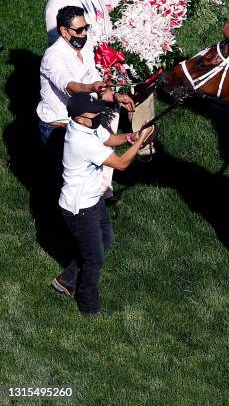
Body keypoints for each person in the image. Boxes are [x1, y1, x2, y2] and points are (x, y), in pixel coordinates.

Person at [52, 93, 154, 315]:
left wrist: (131, 137)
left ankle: (66, 279)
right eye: (94, 113)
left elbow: (107, 139)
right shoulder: (81, 141)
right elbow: (121, 164)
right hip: (79, 209)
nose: (99, 115)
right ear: (80, 118)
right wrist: (140, 142)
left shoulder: (86, 126)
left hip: (93, 198)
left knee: (105, 239)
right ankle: (88, 306)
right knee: (94, 259)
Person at [37, 6, 135, 203]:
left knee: (82, 183)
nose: (84, 34)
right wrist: (91, 86)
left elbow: (98, 87)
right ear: (64, 31)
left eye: (86, 28)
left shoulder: (85, 48)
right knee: (63, 185)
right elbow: (71, 87)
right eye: (79, 30)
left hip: (79, 124)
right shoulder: (53, 56)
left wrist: (116, 97)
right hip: (57, 127)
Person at [92, 0, 164, 152]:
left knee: (144, 92)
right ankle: (104, 148)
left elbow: (164, 3)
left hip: (146, 42)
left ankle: (144, 146)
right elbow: (106, 11)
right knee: (113, 97)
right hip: (112, 46)